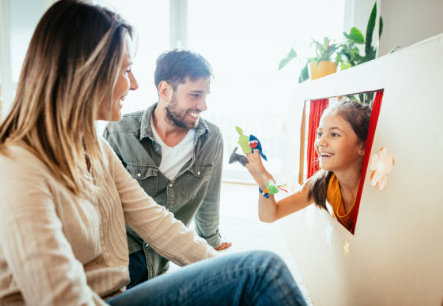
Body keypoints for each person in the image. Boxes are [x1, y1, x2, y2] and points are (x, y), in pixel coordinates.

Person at [0, 1, 308, 305]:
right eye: (127, 70)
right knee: (262, 271)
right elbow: (59, 298)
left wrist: (220, 267)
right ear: (86, 72)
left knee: (252, 273)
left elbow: (155, 221)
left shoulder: (94, 148)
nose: (134, 84)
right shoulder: (16, 165)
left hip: (116, 293)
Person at [103, 49, 231, 286]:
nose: (203, 105)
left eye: (205, 95)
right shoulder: (119, 132)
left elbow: (210, 196)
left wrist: (211, 239)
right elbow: (106, 207)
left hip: (167, 253)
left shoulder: (211, 137)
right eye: (195, 95)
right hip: (126, 249)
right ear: (164, 90)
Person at [245, 101, 371, 232]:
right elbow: (269, 215)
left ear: (362, 146)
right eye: (320, 134)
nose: (321, 142)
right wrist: (264, 184)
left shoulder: (375, 188)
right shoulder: (323, 183)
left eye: (334, 134)